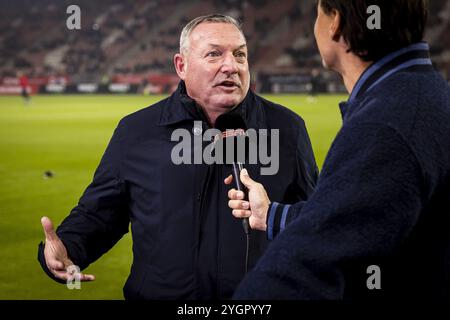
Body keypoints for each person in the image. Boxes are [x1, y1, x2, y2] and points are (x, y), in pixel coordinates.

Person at [37, 14, 318, 299]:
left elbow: (317, 220)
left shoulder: (287, 129)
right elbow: (100, 214)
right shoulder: (137, 131)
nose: (231, 66)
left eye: (240, 55)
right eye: (214, 54)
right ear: (181, 66)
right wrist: (68, 247)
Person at [227, 0, 450, 299]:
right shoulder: (421, 94)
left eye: (318, 12)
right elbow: (361, 216)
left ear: (335, 23)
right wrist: (270, 215)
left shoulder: (387, 122)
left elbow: (307, 263)